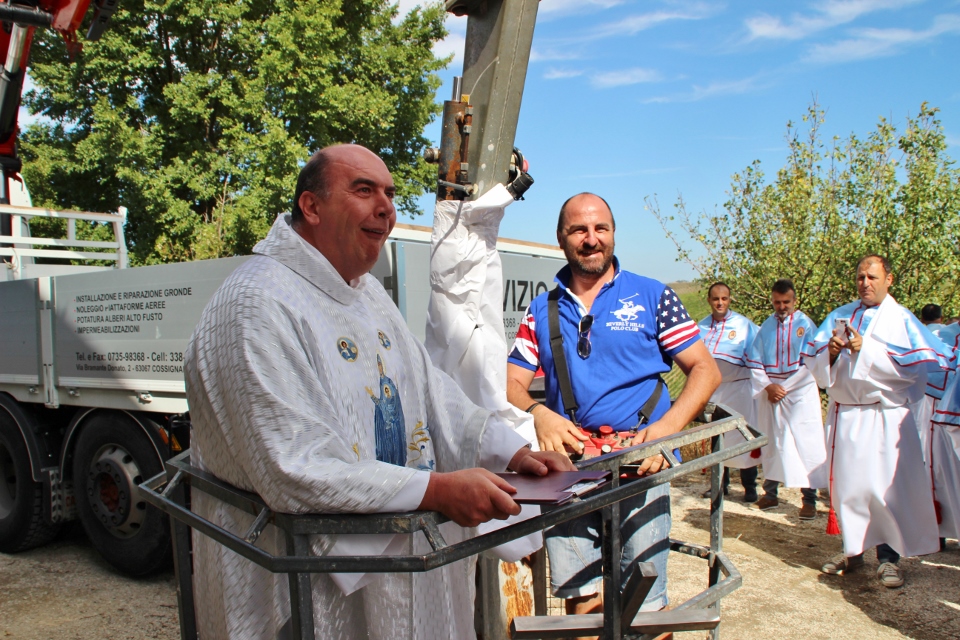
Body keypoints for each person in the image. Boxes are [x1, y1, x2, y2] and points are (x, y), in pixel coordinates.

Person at [183, 144, 574, 640]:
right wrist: (437, 490)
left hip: (402, 560)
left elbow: (431, 390)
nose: (386, 207)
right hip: (307, 585)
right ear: (311, 205)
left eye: (389, 193)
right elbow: (293, 465)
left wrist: (513, 452)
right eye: (364, 190)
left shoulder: (364, 290)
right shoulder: (256, 304)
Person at [505, 192, 721, 625]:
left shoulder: (652, 296)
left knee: (645, 607)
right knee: (581, 606)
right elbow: (510, 384)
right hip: (571, 470)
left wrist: (667, 429)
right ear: (561, 238)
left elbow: (705, 370)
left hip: (641, 465)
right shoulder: (542, 309)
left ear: (613, 234)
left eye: (600, 228)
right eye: (578, 230)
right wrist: (538, 413)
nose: (591, 239)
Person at [801, 255, 953, 589]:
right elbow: (815, 364)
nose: (865, 283)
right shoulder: (840, 315)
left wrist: (866, 349)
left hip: (884, 416)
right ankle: (852, 552)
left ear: (889, 279)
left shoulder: (901, 320)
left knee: (885, 492)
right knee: (849, 490)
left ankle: (888, 559)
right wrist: (831, 353)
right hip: (846, 414)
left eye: (872, 277)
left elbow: (913, 373)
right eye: (860, 277)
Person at [745, 279, 827, 519]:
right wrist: (769, 386)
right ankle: (770, 494)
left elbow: (812, 362)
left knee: (804, 443)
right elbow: (755, 360)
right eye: (777, 302)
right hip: (772, 394)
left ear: (794, 301)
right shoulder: (766, 327)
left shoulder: (806, 325)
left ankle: (809, 500)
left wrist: (785, 387)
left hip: (799, 393)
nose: (781, 307)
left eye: (786, 302)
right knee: (773, 441)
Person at [698, 282, 761, 502]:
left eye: (724, 298)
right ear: (709, 300)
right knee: (718, 437)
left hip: (740, 387)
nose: (720, 303)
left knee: (744, 435)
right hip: (715, 388)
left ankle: (750, 487)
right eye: (716, 299)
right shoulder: (701, 327)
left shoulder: (744, 326)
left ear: (730, 299)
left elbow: (757, 356)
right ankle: (719, 485)